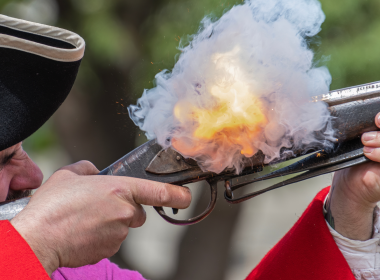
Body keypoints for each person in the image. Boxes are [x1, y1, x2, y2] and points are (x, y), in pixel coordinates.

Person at [0, 14, 190, 280]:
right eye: (5, 160)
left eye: (19, 151)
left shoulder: (73, 269)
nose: (33, 177)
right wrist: (41, 242)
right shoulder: (46, 248)